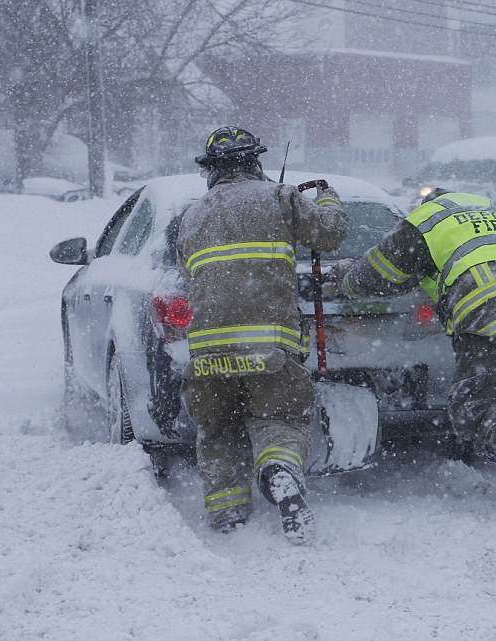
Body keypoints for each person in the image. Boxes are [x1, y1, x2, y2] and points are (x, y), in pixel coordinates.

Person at [331, 187, 496, 532]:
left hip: (490, 313)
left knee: (479, 407)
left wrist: (344, 277)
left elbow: (377, 275)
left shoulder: (427, 221)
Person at [177, 126, 349, 543]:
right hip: (269, 347)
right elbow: (331, 232)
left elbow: (189, 275)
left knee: (217, 430)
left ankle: (227, 515)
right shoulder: (280, 197)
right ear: (254, 162)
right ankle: (280, 470)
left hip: (207, 353)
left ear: (211, 171)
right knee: (280, 419)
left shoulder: (191, 215)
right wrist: (326, 196)